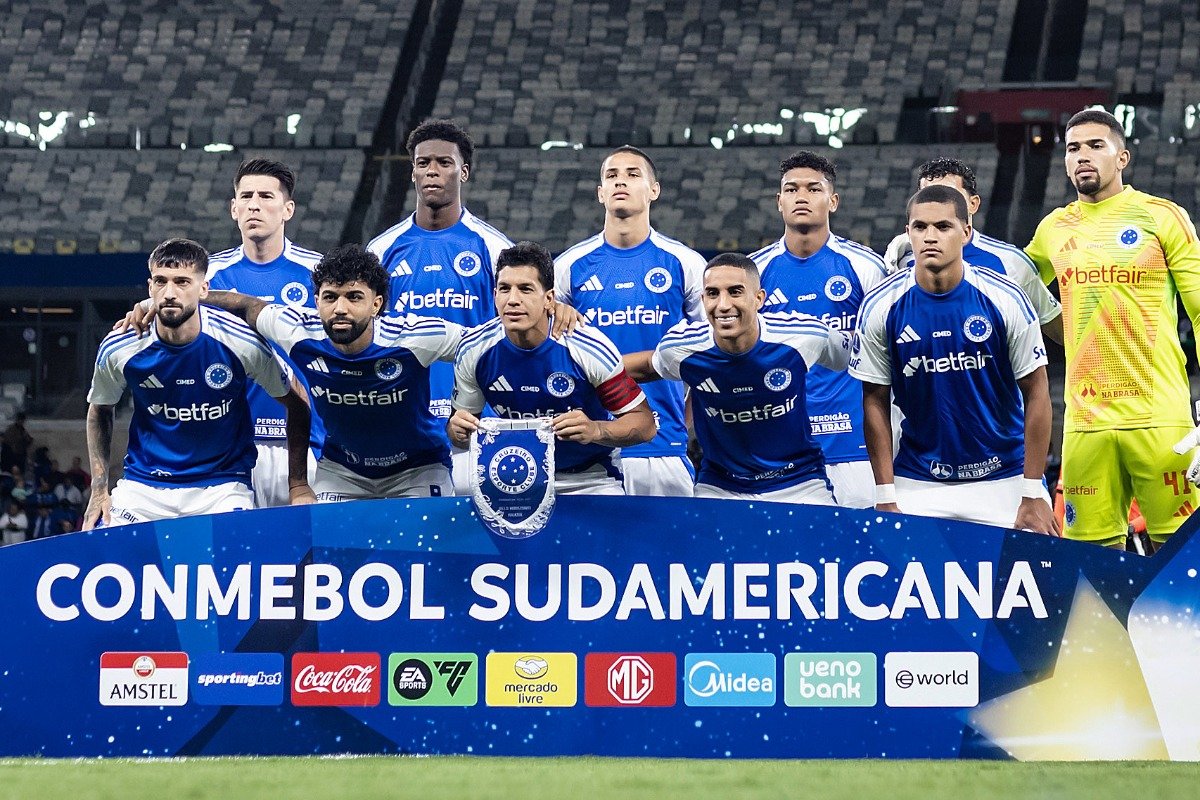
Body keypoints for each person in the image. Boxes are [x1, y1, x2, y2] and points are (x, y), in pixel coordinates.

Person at [1026, 108, 1200, 549]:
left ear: (1122, 158)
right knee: (1089, 566)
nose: (1082, 156)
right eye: (1072, 148)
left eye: (1095, 145)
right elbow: (1012, 287)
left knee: (1181, 558)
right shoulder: (1053, 229)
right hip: (1085, 424)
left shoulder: (1161, 217)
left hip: (1160, 420)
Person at [176, 244, 464, 501]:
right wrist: (169, 302)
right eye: (330, 297)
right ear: (317, 301)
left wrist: (463, 408)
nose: (340, 308)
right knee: (330, 560)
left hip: (418, 470)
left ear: (376, 304)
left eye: (353, 297)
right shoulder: (297, 331)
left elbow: (479, 348)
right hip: (342, 471)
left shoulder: (415, 337)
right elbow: (247, 306)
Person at [851, 185, 1057, 533]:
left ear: (966, 232)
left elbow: (1037, 393)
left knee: (1036, 586)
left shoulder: (1005, 298)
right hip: (918, 483)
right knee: (903, 586)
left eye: (943, 227)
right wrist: (885, 496)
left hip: (1005, 480)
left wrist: (1032, 491)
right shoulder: (880, 306)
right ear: (908, 233)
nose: (930, 236)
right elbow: (874, 400)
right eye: (920, 227)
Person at [83, 239, 314, 529]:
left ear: (203, 289)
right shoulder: (121, 345)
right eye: (161, 281)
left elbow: (297, 404)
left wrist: (298, 485)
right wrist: (99, 489)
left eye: (182, 282)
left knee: (235, 561)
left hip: (221, 488)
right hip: (143, 488)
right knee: (100, 549)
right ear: (149, 287)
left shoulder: (240, 342)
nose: (169, 293)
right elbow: (99, 409)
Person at [624, 252, 851, 503]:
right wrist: (585, 365)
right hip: (721, 486)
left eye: (735, 292)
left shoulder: (805, 336)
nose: (722, 305)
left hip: (800, 482)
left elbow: (859, 361)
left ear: (758, 299)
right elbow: (645, 366)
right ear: (702, 300)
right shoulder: (681, 348)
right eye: (712, 294)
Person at [367, 119, 514, 493]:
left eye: (444, 163)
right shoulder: (382, 251)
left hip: (475, 425)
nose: (432, 170)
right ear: (412, 172)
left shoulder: (495, 249)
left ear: (463, 172)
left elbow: (511, 335)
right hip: (404, 429)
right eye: (423, 162)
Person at [554, 146, 706, 496]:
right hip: (589, 454)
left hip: (663, 447)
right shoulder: (568, 267)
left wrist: (685, 425)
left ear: (654, 190)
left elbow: (709, 354)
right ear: (600, 193)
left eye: (633, 174)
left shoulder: (685, 263)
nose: (621, 180)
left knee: (670, 552)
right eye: (612, 175)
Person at [448, 242, 656, 494]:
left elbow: (644, 424)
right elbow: (460, 429)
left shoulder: (588, 347)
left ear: (549, 299)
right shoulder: (473, 349)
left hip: (590, 479)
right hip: (514, 475)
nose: (513, 300)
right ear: (494, 295)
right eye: (504, 289)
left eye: (525, 289)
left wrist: (595, 429)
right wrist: (457, 430)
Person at [749, 151, 888, 507]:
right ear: (779, 201)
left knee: (863, 556)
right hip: (778, 450)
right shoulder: (752, 273)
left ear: (833, 200)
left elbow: (887, 358)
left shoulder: (865, 268)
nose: (801, 196)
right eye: (791, 189)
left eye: (813, 189)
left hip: (854, 447)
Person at [206, 158, 325, 508]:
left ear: (287, 209)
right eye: (246, 196)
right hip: (231, 450)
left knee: (310, 558)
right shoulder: (206, 277)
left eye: (266, 196)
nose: (254, 204)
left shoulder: (318, 273)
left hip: (306, 446)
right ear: (233, 208)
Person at [883, 157, 1063, 342]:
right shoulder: (899, 260)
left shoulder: (1011, 263)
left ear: (973, 204)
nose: (937, 205)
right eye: (928, 195)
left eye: (948, 195)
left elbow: (1057, 329)